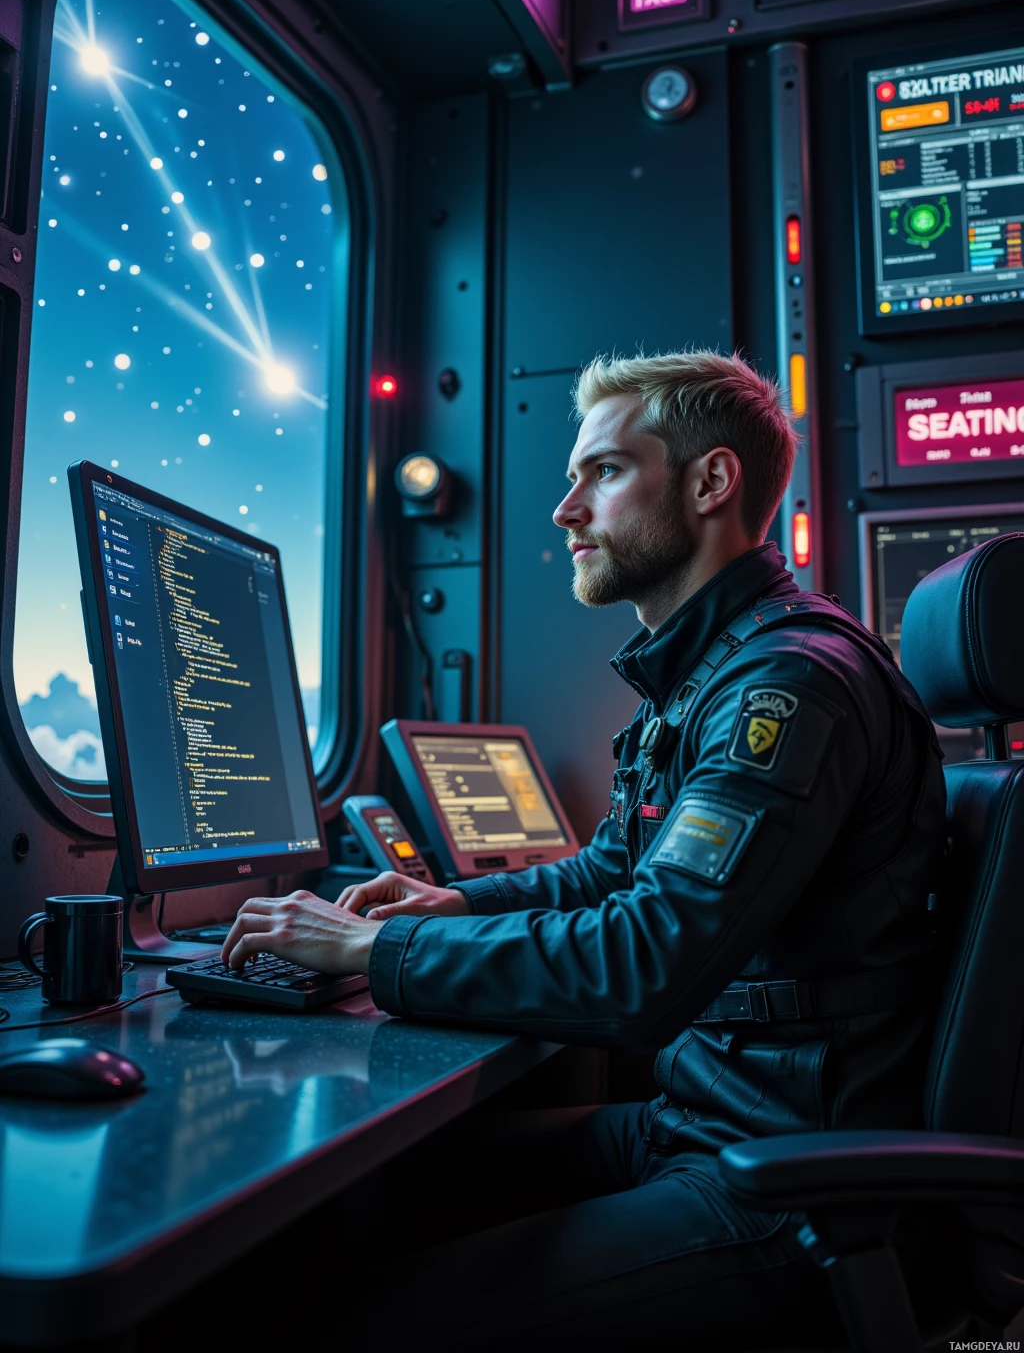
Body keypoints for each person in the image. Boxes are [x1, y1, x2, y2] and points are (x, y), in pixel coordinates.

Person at [222, 351, 947, 1349]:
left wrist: (369, 953)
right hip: (701, 1123)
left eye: (603, 472)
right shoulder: (710, 674)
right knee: (356, 1200)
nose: (565, 511)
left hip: (795, 1175)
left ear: (708, 483)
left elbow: (648, 960)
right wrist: (453, 908)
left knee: (362, 1321)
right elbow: (613, 872)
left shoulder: (786, 687)